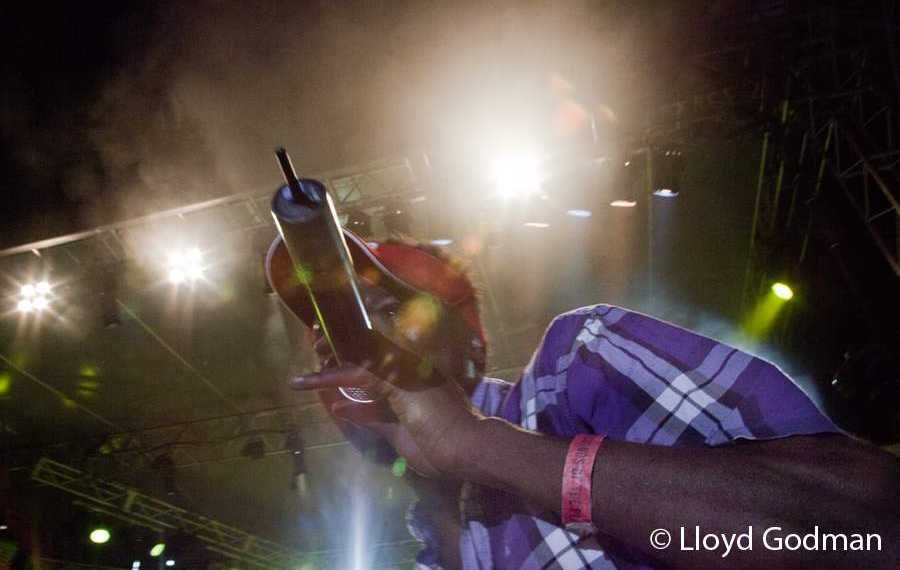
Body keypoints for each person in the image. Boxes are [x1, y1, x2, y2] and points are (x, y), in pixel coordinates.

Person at [268, 229, 900, 570]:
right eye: (323, 326)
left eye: (383, 307)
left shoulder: (579, 367)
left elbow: (865, 533)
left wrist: (480, 445)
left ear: (471, 345)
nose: (337, 338)